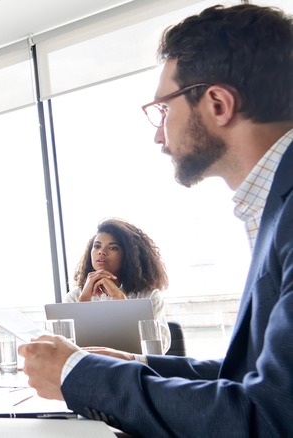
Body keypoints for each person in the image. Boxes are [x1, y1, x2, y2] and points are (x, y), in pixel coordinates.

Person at [18, 4, 293, 436]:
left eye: (163, 110)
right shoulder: (273, 205)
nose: (158, 134)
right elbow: (254, 376)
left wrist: (77, 375)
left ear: (218, 103)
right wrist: (138, 362)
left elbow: (272, 417)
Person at [66, 218, 170, 352]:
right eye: (97, 246)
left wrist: (121, 301)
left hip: (132, 369)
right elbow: (66, 352)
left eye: (112, 248)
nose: (101, 252)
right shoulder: (74, 297)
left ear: (128, 255)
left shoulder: (149, 296)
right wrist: (83, 304)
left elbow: (158, 348)